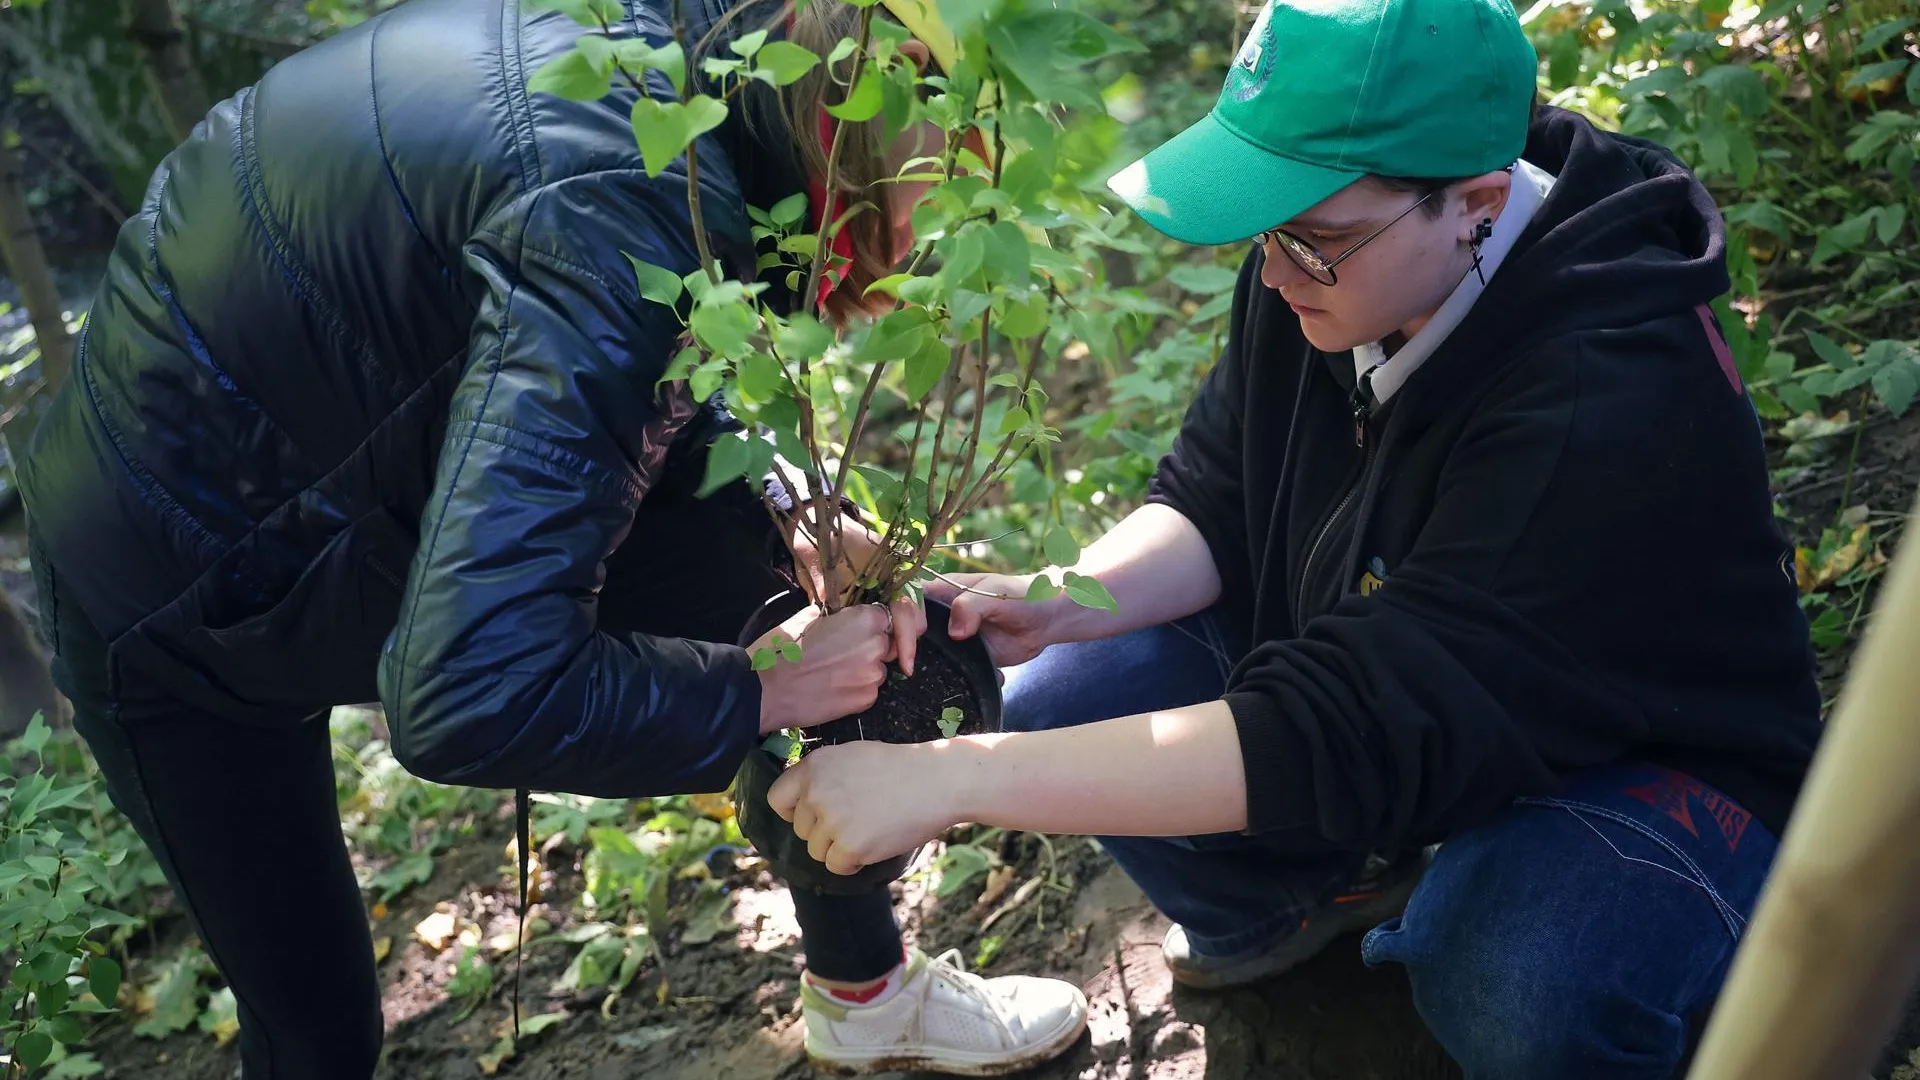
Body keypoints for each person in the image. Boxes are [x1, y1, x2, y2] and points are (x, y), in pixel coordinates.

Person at [15, 0, 1087, 1075]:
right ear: (875, 87)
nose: (931, 228)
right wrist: (764, 690)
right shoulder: (619, 194)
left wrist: (787, 500)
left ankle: (866, 1000)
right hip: (164, 593)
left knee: (761, 573)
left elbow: (587, 361)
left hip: (362, 473)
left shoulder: (685, 63)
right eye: (940, 171)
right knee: (317, 1025)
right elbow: (466, 694)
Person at [768, 0, 1826, 1075]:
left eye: (1310, 243)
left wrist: (953, 777)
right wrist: (1058, 596)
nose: (1273, 275)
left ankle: (1693, 971)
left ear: (1477, 203)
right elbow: (1221, 493)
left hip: (1645, 761)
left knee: (1511, 963)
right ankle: (1305, 906)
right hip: (1416, 694)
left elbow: (1342, 729)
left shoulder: (1598, 396)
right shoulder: (1339, 256)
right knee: (1071, 675)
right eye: (1263, 229)